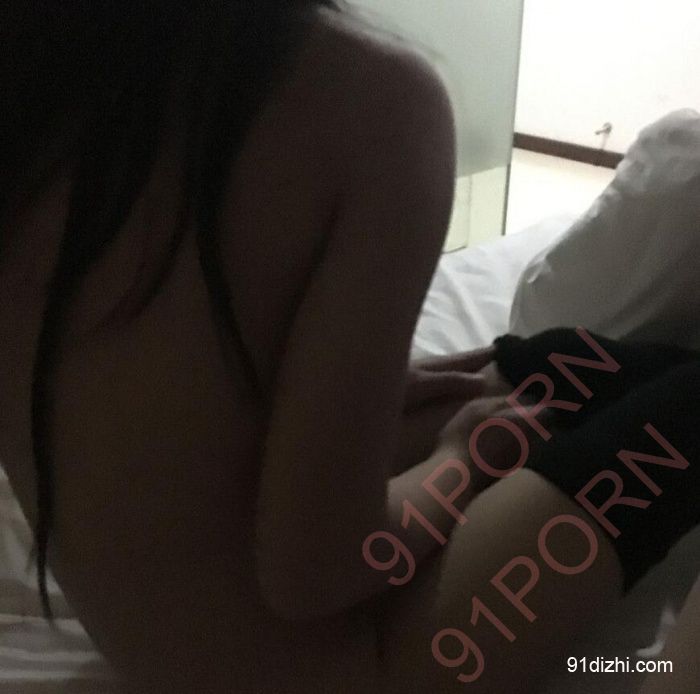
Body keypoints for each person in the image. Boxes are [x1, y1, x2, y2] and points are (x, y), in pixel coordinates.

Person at [1, 2, 696, 693]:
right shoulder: (372, 102)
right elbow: (318, 573)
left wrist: (379, 396)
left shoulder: (45, 69)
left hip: (151, 637)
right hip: (341, 669)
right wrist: (461, 461)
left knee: (550, 367)